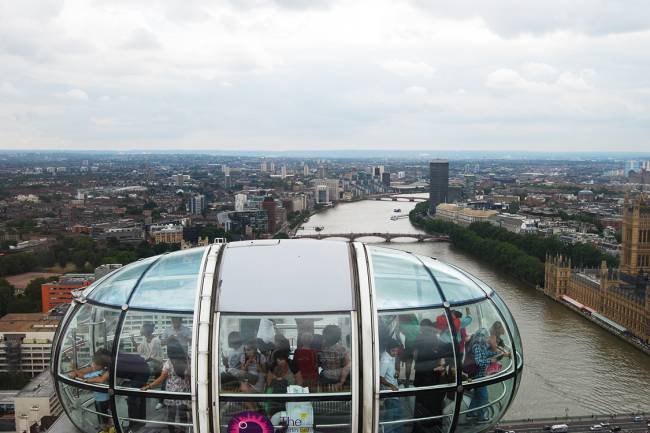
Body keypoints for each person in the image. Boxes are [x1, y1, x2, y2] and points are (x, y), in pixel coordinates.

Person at [142, 337, 191, 433]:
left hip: (172, 393)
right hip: (184, 393)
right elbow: (190, 377)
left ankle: (171, 431)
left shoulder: (169, 363)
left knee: (171, 416)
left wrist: (148, 387)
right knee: (183, 415)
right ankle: (183, 431)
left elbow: (160, 379)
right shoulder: (188, 360)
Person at [412, 319, 453, 433]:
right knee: (435, 404)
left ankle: (419, 429)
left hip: (421, 376)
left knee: (421, 403)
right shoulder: (436, 340)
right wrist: (442, 367)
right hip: (434, 378)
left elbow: (415, 356)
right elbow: (449, 351)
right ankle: (435, 427)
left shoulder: (418, 339)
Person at [70, 349, 114, 433]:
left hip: (101, 400)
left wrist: (74, 369)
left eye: (94, 363)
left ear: (99, 365)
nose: (92, 365)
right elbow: (84, 374)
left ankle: (106, 429)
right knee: (106, 415)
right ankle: (109, 427)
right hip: (105, 399)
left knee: (102, 416)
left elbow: (83, 377)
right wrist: (76, 371)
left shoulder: (97, 374)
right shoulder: (102, 372)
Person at [467, 328, 499, 423]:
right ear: (482, 337)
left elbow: (486, 353)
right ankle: (481, 417)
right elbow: (479, 362)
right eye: (486, 336)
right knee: (484, 396)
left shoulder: (481, 345)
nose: (487, 339)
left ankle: (470, 413)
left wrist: (497, 353)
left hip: (480, 375)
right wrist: (490, 361)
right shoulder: (477, 346)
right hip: (478, 376)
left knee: (477, 395)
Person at [159, 317, 192, 410]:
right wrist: (169, 339)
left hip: (183, 357)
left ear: (181, 321)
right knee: (167, 376)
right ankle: (162, 401)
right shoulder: (167, 330)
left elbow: (192, 341)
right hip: (172, 356)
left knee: (184, 376)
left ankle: (186, 399)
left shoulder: (186, 330)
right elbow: (162, 343)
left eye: (177, 320)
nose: (175, 322)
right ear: (171, 321)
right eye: (173, 321)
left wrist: (186, 337)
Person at [317, 325, 350, 391]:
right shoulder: (342, 349)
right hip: (339, 377)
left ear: (325, 336)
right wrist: (341, 381)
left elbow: (318, 363)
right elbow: (346, 366)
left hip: (326, 377)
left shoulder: (322, 349)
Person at [380, 338, 403, 433]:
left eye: (397, 351)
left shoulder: (390, 356)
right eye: (393, 351)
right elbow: (380, 378)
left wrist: (396, 372)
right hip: (390, 394)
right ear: (388, 349)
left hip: (394, 393)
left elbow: (392, 370)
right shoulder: (385, 360)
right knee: (394, 418)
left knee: (395, 417)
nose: (395, 353)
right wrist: (391, 386)